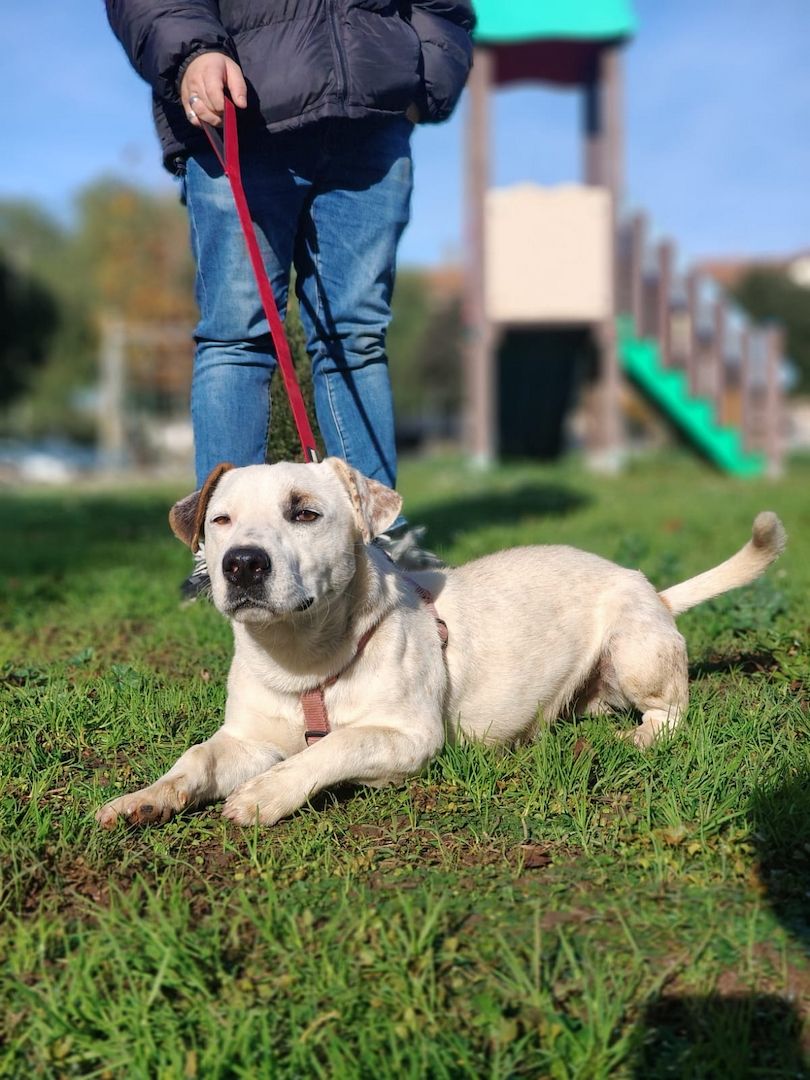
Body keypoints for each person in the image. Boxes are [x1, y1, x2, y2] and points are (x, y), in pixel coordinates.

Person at [105, 0, 476, 596]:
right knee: (237, 337)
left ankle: (377, 541)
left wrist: (425, 79)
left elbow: (443, 9)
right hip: (242, 111)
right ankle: (223, 549)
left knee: (355, 337)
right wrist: (192, 50)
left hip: (371, 119)